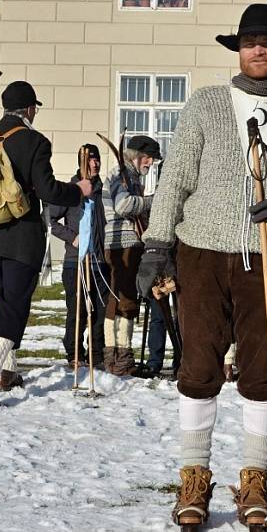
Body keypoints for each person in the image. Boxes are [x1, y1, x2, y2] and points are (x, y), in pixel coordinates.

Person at [136, 4, 267, 527]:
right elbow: (174, 178)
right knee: (198, 367)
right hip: (200, 252)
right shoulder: (207, 104)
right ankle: (194, 477)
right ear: (238, 49)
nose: (258, 50)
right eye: (249, 42)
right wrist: (156, 245)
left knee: (263, 372)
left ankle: (254, 481)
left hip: (266, 256)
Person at [0, 80, 92, 407]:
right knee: (15, 304)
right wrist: (78, 191)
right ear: (30, 109)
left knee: (8, 298)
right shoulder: (35, 142)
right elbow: (47, 190)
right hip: (21, 237)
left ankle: (8, 371)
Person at [101, 134, 161, 376]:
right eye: (149, 159)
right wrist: (150, 202)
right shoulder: (122, 174)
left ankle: (114, 356)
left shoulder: (131, 175)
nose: (150, 164)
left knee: (118, 299)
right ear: (138, 157)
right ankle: (121, 358)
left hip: (125, 243)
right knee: (124, 300)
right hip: (122, 243)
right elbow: (123, 206)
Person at [49, 144, 109, 369]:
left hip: (100, 263)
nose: (95, 163)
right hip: (76, 262)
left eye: (97, 159)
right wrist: (72, 237)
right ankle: (74, 353)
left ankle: (97, 354)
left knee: (100, 312)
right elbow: (50, 220)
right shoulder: (71, 190)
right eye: (90, 159)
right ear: (82, 163)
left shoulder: (104, 191)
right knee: (78, 311)